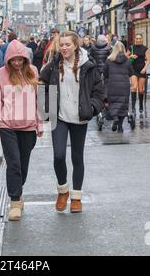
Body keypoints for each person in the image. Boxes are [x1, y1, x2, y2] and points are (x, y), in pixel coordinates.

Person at [39, 31, 104, 213]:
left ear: (76, 45)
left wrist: (91, 107)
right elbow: (41, 84)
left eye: (68, 44)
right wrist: (46, 105)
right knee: (58, 156)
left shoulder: (88, 66)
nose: (64, 48)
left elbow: (99, 92)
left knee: (77, 157)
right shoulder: (54, 64)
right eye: (62, 44)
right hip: (59, 116)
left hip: (79, 117)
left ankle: (76, 197)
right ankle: (63, 190)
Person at [0, 40, 43, 221]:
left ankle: (18, 193)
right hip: (7, 126)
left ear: (25, 59)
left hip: (28, 126)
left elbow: (38, 100)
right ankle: (14, 201)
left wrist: (40, 124)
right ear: (8, 60)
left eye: (20, 60)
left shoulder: (33, 71)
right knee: (13, 164)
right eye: (14, 60)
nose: (17, 63)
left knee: (23, 165)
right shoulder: (0, 74)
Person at [104, 42, 134, 133]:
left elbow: (105, 73)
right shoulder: (127, 60)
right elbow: (131, 73)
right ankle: (120, 127)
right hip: (124, 86)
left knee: (113, 104)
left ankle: (115, 117)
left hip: (113, 85)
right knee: (123, 106)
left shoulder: (109, 60)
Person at [127, 34, 150, 117]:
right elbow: (125, 57)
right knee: (134, 87)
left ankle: (140, 105)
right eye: (137, 38)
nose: (138, 40)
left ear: (142, 39)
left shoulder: (145, 48)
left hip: (142, 70)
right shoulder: (131, 47)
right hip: (133, 70)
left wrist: (145, 68)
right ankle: (133, 107)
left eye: (140, 38)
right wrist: (130, 56)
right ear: (135, 39)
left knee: (140, 90)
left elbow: (148, 60)